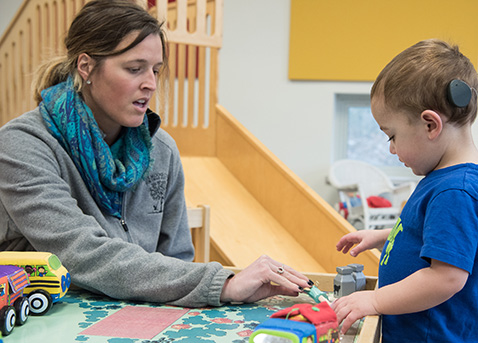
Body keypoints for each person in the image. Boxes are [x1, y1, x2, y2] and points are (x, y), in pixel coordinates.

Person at [0, 0, 311, 307]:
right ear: (86, 67)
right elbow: (81, 252)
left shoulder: (161, 150)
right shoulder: (23, 144)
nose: (150, 84)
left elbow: (176, 259)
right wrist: (223, 284)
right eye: (135, 69)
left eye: (156, 70)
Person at [332, 39, 478, 342]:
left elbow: (446, 276)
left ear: (430, 125)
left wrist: (374, 300)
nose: (392, 149)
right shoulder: (444, 179)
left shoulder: (455, 190)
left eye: (392, 135)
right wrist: (384, 235)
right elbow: (438, 237)